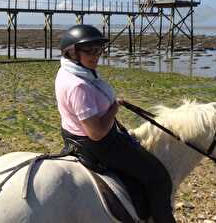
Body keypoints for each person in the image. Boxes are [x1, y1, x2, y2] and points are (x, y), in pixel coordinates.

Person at [55, 24, 175, 223]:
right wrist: (113, 109)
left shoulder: (69, 72)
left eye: (99, 50)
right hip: (98, 144)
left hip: (72, 134)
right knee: (158, 177)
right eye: (89, 51)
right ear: (72, 53)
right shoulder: (79, 86)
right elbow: (96, 133)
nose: (96, 56)